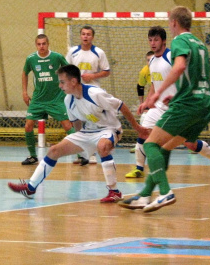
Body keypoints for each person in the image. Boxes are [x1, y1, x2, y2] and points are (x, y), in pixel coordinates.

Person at [119, 6, 210, 213]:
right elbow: (197, 76)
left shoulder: (179, 41)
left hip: (190, 104)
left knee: (150, 145)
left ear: (173, 22)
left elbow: (180, 67)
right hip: (206, 103)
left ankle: (165, 192)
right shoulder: (200, 43)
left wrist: (157, 93)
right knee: (164, 149)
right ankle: (145, 195)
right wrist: (178, 94)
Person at [8, 64, 148, 203]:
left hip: (109, 129)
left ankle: (114, 191)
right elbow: (77, 125)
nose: (60, 86)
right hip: (87, 132)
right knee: (54, 150)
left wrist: (137, 127)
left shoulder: (95, 94)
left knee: (102, 146)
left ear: (73, 81)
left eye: (62, 82)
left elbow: (121, 105)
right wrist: (79, 143)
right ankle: (30, 187)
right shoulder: (68, 100)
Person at [124, 26, 210, 179]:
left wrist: (179, 96)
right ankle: (139, 168)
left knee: (189, 143)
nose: (153, 43)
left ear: (164, 41)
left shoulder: (173, 56)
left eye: (156, 40)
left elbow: (183, 75)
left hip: (177, 106)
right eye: (150, 40)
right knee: (143, 131)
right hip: (158, 107)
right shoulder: (151, 61)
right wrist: (147, 101)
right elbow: (154, 83)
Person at [20, 34, 74, 165]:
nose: (41, 46)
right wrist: (24, 92)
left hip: (56, 99)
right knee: (28, 126)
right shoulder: (31, 59)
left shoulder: (57, 57)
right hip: (38, 99)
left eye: (44, 43)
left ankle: (81, 155)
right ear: (36, 45)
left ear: (48, 44)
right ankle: (33, 156)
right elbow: (24, 73)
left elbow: (69, 71)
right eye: (39, 44)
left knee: (67, 125)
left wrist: (67, 87)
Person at [66, 25, 111, 165]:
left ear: (92, 37)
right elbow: (66, 69)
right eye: (83, 34)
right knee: (77, 121)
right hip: (75, 91)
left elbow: (106, 71)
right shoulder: (72, 52)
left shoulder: (99, 52)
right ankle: (82, 154)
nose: (85, 36)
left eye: (88, 34)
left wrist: (93, 76)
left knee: (92, 121)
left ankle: (92, 154)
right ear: (80, 36)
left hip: (92, 92)